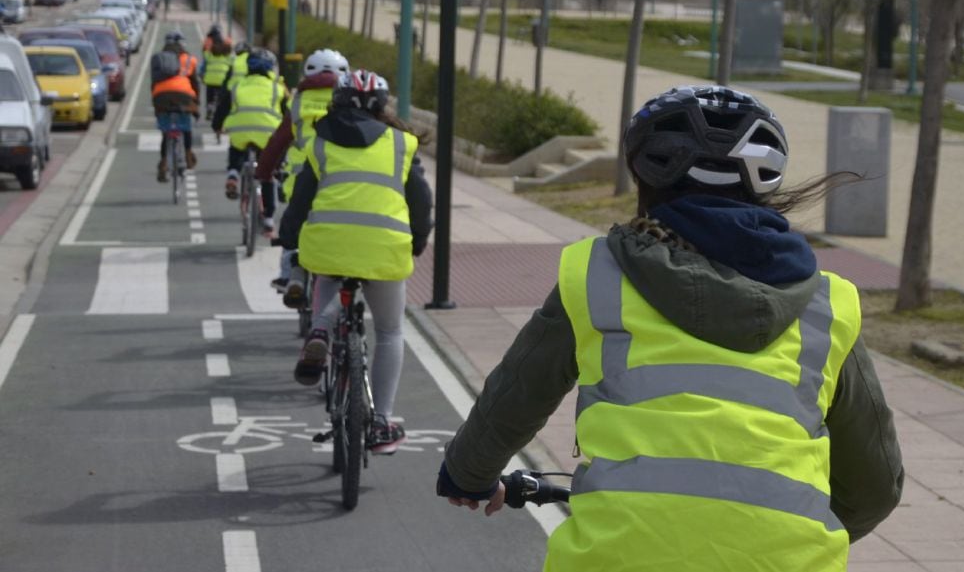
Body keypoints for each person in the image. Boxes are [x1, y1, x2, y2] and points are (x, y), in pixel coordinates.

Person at [436, 84, 904, 571]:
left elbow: (517, 394)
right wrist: (784, 530)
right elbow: (876, 487)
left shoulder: (599, 275)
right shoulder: (827, 303)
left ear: (645, 183)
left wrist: (468, 474)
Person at [278, 69, 433, 455]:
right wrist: (418, 241)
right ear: (382, 106)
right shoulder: (401, 144)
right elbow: (422, 202)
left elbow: (300, 201)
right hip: (384, 247)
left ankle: (320, 329)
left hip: (328, 244)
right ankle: (381, 422)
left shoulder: (318, 144)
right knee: (390, 331)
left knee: (328, 273)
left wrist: (289, 237)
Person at [256, 48, 350, 299]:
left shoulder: (298, 103)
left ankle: (289, 275)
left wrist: (264, 172)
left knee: (293, 226)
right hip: (341, 182)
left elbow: (278, 142)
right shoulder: (349, 102)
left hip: (299, 181)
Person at [212, 47, 288, 233]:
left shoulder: (236, 86)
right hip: (267, 135)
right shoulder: (277, 88)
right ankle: (269, 218)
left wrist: (217, 126)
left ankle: (232, 173)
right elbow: (288, 116)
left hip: (240, 132)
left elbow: (222, 110)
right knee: (268, 173)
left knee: (237, 146)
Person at [151, 30, 200, 182]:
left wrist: (156, 105)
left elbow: (153, 84)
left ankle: (164, 163)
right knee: (186, 127)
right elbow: (195, 84)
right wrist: (196, 104)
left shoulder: (160, 59)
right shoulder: (189, 59)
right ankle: (188, 154)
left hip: (161, 96)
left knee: (166, 133)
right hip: (184, 95)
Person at [200, 24, 233, 120]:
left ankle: (209, 107)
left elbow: (204, 54)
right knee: (223, 97)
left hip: (210, 80)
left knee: (209, 94)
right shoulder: (227, 57)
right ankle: (221, 109)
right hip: (222, 80)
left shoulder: (209, 54)